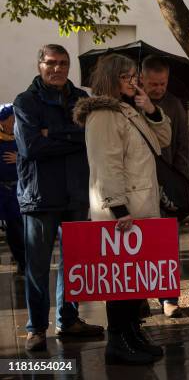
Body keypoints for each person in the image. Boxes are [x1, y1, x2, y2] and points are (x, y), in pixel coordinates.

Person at [74, 53, 171, 364]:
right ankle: (117, 340)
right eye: (127, 77)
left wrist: (151, 109)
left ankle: (132, 332)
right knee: (121, 281)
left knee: (135, 279)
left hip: (141, 206)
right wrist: (118, 208)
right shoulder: (103, 114)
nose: (134, 81)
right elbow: (106, 165)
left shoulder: (129, 109)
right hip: (123, 211)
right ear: (111, 78)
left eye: (134, 76)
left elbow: (164, 139)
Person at [13, 44, 104, 352]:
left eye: (63, 63)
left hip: (76, 194)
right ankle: (36, 328)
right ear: (40, 65)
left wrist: (52, 133)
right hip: (38, 197)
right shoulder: (25, 101)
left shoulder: (82, 99)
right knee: (37, 268)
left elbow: (91, 138)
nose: (57, 68)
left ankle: (69, 321)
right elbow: (30, 148)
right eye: (51, 63)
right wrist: (70, 137)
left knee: (74, 264)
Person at [141, 54, 189, 318]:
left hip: (167, 182)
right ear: (142, 79)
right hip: (139, 185)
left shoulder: (174, 104)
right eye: (154, 84)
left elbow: (184, 143)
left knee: (168, 246)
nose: (159, 88)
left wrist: (180, 178)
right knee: (138, 244)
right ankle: (138, 298)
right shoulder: (130, 104)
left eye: (163, 83)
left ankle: (169, 297)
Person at [0, 104, 25, 274]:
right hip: (2, 192)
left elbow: (34, 157)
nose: (14, 122)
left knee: (18, 227)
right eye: (11, 119)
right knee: (12, 228)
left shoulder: (21, 138)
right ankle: (22, 261)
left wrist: (19, 158)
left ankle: (24, 262)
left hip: (20, 190)